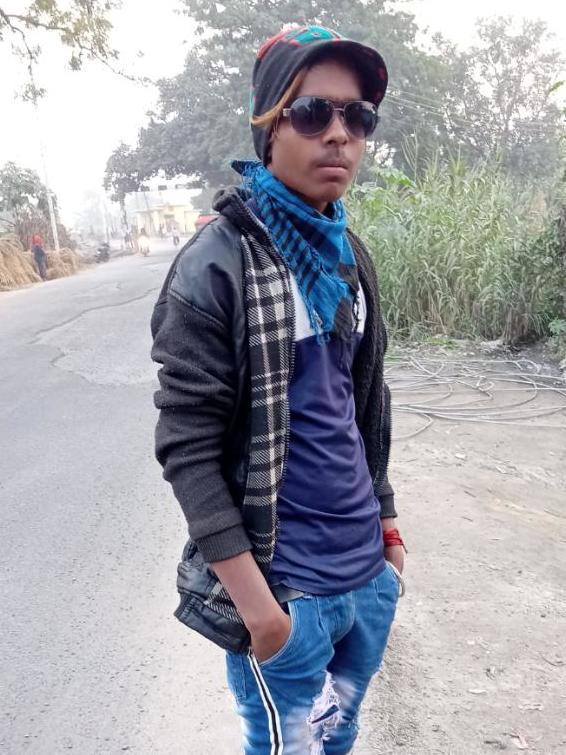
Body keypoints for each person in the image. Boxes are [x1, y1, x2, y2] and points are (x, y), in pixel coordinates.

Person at [152, 24, 406, 754]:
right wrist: (261, 614)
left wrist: (389, 536)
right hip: (286, 594)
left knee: (340, 738)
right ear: (269, 127)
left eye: (358, 117)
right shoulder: (217, 264)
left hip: (366, 581)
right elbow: (188, 450)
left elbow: (365, 408)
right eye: (312, 113)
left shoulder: (348, 257)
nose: (339, 134)